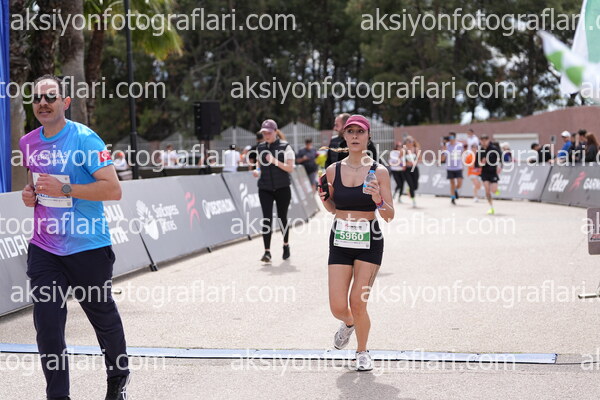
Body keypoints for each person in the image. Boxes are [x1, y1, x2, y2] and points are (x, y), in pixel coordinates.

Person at [19, 75, 129, 400]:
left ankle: (118, 378)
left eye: (50, 97)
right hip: (45, 248)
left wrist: (66, 188)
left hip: (88, 247)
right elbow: (35, 184)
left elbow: (114, 189)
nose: (43, 103)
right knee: (48, 326)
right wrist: (30, 195)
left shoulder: (86, 139)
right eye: (37, 98)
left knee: (103, 319)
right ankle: (58, 395)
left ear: (65, 102)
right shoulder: (28, 143)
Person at [319, 115, 394, 372]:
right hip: (340, 238)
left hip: (369, 239)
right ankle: (349, 323)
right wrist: (324, 199)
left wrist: (378, 200)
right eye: (350, 131)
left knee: (358, 301)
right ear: (344, 136)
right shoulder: (333, 170)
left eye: (359, 132)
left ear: (368, 137)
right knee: (338, 306)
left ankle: (362, 352)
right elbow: (332, 208)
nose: (354, 136)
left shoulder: (379, 171)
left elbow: (389, 215)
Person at [253, 119, 295, 263]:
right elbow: (259, 164)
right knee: (267, 219)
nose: (266, 135)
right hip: (265, 188)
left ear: (275, 132)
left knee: (282, 217)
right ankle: (267, 252)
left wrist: (274, 161)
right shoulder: (260, 147)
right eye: (264, 133)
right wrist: (257, 171)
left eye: (268, 133)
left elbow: (290, 168)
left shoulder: (285, 147)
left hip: (282, 187)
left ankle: (286, 245)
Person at [478, 135, 501, 215]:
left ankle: (496, 190)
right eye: (482, 140)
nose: (484, 142)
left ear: (488, 140)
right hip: (484, 173)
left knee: (493, 190)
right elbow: (477, 164)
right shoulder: (480, 151)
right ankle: (491, 207)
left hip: (493, 172)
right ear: (480, 141)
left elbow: (501, 158)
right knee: (487, 191)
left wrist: (499, 166)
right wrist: (481, 163)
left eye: (485, 140)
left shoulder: (494, 149)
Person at [441, 133, 464, 205]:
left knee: (460, 183)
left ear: (455, 137)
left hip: (458, 167)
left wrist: (463, 165)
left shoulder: (460, 145)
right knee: (452, 183)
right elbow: (443, 159)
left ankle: (455, 190)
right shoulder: (446, 146)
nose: (450, 139)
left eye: (452, 137)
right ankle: (453, 198)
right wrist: (444, 150)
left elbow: (462, 155)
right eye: (449, 137)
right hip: (450, 167)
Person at [402, 136, 420, 208]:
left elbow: (419, 158)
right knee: (411, 185)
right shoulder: (404, 150)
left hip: (414, 169)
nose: (409, 143)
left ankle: (409, 189)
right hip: (407, 170)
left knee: (415, 186)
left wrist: (415, 162)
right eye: (408, 141)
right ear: (406, 143)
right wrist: (404, 164)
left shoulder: (416, 149)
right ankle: (413, 201)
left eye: (411, 141)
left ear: (413, 142)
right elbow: (400, 159)